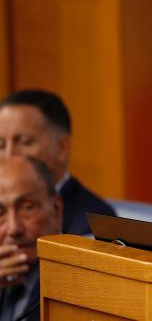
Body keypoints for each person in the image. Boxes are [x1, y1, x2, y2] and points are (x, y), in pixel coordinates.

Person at [0, 89, 115, 235]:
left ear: (62, 147)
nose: (9, 155)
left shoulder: (96, 224)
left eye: (24, 141)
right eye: (1, 145)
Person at [0, 156, 62, 321]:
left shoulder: (80, 283)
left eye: (27, 208)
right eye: (0, 213)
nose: (14, 228)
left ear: (56, 211)